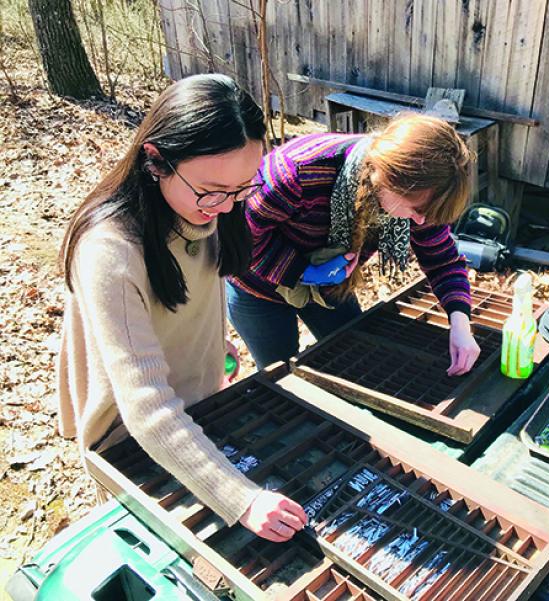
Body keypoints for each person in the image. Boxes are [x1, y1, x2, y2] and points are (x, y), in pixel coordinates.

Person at [57, 74, 307, 543]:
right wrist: (243, 499)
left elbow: (193, 298)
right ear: (156, 161)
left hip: (198, 407)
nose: (225, 207)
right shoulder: (109, 251)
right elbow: (145, 406)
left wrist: (217, 344)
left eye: (241, 191)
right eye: (212, 190)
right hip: (128, 438)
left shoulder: (205, 210)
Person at [227, 113, 481, 375]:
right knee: (279, 375)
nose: (421, 220)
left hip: (331, 287)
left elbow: (443, 260)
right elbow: (239, 239)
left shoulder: (421, 195)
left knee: (353, 360)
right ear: (388, 179)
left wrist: (460, 322)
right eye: (415, 210)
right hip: (257, 287)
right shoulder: (295, 173)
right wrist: (299, 270)